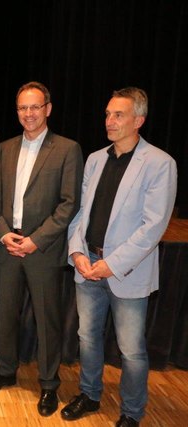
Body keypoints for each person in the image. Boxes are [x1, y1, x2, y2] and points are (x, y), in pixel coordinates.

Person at [62, 87, 177, 427]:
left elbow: (153, 226)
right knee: (87, 337)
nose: (109, 121)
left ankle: (131, 413)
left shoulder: (160, 163)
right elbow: (81, 213)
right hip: (87, 266)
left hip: (126, 272)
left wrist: (111, 265)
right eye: (108, 114)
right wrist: (77, 251)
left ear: (139, 120)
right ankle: (90, 394)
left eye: (118, 115)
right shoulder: (96, 159)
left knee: (131, 351)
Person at [0, 82, 83, 417]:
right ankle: (6, 371)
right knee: (5, 313)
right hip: (8, 246)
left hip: (43, 250)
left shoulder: (67, 149)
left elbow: (69, 204)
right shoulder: (4, 148)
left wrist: (36, 240)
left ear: (48, 109)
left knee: (46, 320)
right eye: (23, 107)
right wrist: (4, 233)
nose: (29, 113)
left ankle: (49, 384)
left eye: (35, 107)